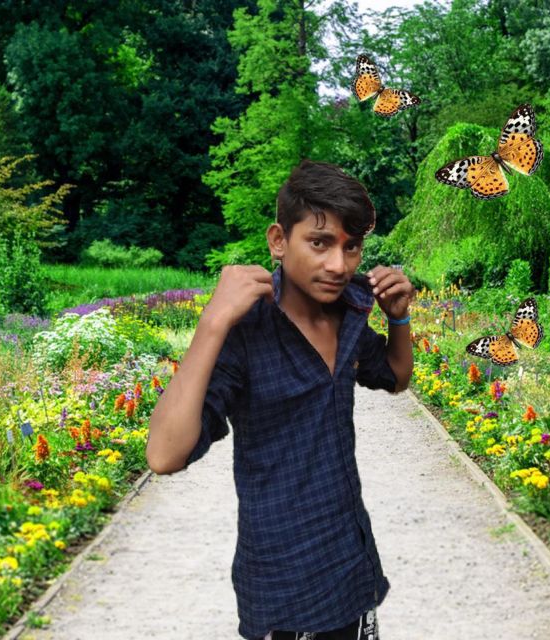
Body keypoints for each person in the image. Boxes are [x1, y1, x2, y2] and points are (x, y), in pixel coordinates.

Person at [146, 159, 415, 640]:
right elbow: (164, 455)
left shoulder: (352, 310)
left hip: (354, 572)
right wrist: (212, 322)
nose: (339, 265)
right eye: (319, 242)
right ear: (278, 240)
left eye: (351, 246)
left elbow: (395, 378)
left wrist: (398, 318)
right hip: (284, 589)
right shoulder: (245, 332)